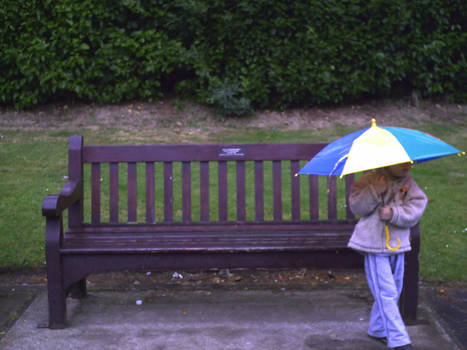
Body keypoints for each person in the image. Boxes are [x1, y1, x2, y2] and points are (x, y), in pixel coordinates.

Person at [348, 162, 428, 350]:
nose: (406, 165)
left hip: (397, 245)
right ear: (387, 162)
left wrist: (394, 213)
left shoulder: (409, 184)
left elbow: (417, 206)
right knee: (386, 292)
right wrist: (376, 190)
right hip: (374, 245)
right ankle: (399, 338)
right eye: (400, 162)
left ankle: (377, 328)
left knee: (394, 289)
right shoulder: (369, 180)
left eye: (408, 161)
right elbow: (357, 207)